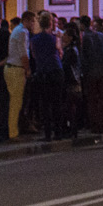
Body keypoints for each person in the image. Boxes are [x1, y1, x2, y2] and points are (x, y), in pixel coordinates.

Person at [29, 13, 63, 141]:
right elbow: (60, 53)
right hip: (55, 70)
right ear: (50, 23)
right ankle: (58, 132)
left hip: (42, 71)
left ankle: (47, 133)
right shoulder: (55, 38)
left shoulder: (34, 39)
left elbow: (33, 54)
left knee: (45, 103)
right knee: (57, 103)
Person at [5, 11, 33, 140]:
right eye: (32, 21)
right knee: (16, 102)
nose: (33, 24)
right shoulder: (22, 32)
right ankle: (13, 132)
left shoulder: (16, 30)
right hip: (17, 69)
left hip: (10, 67)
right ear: (27, 20)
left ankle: (12, 130)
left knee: (14, 101)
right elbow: (23, 53)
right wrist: (27, 70)